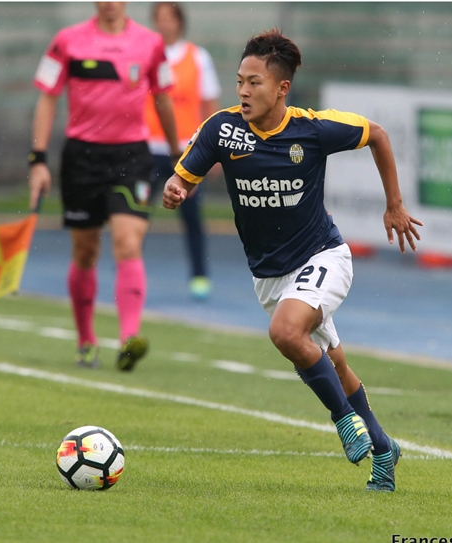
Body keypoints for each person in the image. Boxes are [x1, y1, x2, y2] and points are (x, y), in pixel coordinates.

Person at [163, 29, 423, 492]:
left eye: (255, 82)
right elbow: (185, 176)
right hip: (269, 275)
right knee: (335, 364)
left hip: (324, 255)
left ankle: (345, 421)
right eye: (240, 81)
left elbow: (378, 136)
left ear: (282, 88)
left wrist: (394, 205)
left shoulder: (313, 128)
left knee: (285, 332)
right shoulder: (222, 129)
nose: (243, 91)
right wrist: (178, 188)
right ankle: (384, 449)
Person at [29, 2, 180, 372]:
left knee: (128, 240)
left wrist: (180, 155)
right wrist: (38, 161)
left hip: (132, 157)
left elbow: (163, 98)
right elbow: (47, 99)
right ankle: (85, 341)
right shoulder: (67, 41)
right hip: (81, 157)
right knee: (85, 250)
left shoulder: (150, 44)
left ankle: (129, 339)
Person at [144, 2, 221, 301]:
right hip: (148, 148)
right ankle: (130, 271)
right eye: (159, 18)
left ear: (179, 22)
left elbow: (210, 103)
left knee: (192, 217)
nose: (164, 24)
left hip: (186, 154)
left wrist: (212, 150)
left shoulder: (198, 58)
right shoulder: (145, 54)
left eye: (169, 18)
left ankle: (199, 275)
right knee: (136, 216)